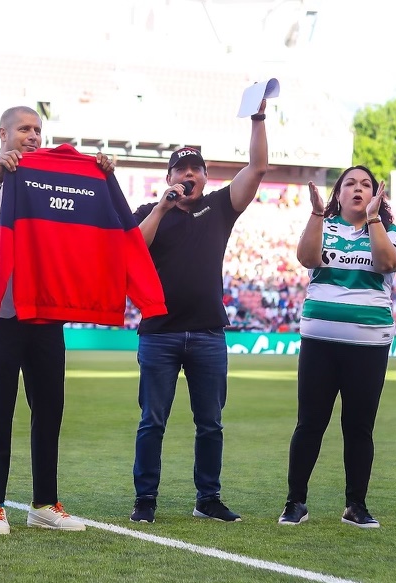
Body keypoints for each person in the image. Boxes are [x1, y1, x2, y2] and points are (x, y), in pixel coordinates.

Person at [0, 105, 116, 535]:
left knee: (49, 408)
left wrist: (101, 175)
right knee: (0, 407)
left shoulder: (52, 175)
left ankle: (44, 502)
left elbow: (81, 217)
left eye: (38, 130)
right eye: (25, 128)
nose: (33, 135)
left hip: (45, 307)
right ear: (3, 132)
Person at [128, 100, 268, 524]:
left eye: (196, 169)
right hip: (159, 333)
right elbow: (134, 248)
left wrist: (258, 118)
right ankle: (145, 500)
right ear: (168, 178)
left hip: (208, 333)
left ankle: (208, 498)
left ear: (207, 177)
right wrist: (162, 207)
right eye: (181, 170)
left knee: (210, 423)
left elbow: (258, 168)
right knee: (152, 421)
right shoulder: (150, 212)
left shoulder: (220, 207)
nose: (189, 175)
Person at [278, 166, 396, 528]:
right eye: (350, 183)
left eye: (366, 184)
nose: (358, 189)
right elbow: (306, 258)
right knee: (310, 423)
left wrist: (373, 220)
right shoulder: (324, 224)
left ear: (375, 195)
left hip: (369, 345)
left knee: (359, 426)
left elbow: (385, 262)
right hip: (319, 342)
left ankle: (356, 505)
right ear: (338, 193)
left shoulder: (391, 232)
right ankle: (295, 502)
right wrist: (317, 213)